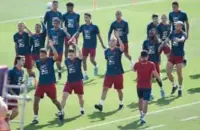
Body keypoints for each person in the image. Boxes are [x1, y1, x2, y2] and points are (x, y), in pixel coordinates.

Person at [31, 40, 64, 124]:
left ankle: (61, 111)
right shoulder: (38, 62)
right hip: (41, 85)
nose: (41, 57)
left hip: (50, 85)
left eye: (43, 55)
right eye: (40, 55)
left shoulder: (50, 60)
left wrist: (52, 46)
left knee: (54, 100)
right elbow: (32, 65)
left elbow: (56, 55)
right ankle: (35, 118)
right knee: (35, 102)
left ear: (46, 54)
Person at [70, 13, 106, 81]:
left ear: (90, 18)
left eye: (87, 17)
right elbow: (77, 33)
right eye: (85, 18)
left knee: (91, 60)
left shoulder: (95, 27)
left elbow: (99, 36)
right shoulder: (82, 26)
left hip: (92, 46)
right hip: (85, 46)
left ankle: (96, 66)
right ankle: (85, 75)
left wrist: (102, 44)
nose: (85, 19)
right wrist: (71, 38)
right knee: (83, 60)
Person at [94, 31, 124, 112]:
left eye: (114, 41)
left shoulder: (118, 50)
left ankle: (121, 103)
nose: (112, 42)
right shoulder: (106, 51)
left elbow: (123, 48)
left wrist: (118, 37)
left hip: (118, 73)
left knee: (119, 90)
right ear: (109, 42)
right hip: (109, 74)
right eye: (111, 41)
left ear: (116, 42)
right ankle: (101, 104)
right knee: (105, 89)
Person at [134, 50, 162, 124]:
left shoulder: (137, 64)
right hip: (147, 87)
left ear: (141, 56)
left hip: (139, 86)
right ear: (148, 56)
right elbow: (155, 74)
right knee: (145, 102)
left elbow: (133, 70)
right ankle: (143, 116)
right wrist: (160, 80)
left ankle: (141, 114)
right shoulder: (151, 64)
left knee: (140, 100)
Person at [60, 43, 84, 116]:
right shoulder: (66, 61)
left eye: (72, 55)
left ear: (75, 54)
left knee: (80, 97)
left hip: (78, 81)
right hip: (69, 82)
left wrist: (75, 45)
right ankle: (61, 111)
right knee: (64, 96)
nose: (70, 57)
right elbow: (65, 53)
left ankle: (82, 108)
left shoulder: (78, 60)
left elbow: (80, 54)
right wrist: (68, 47)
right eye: (69, 55)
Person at [166, 21, 187, 97]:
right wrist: (163, 43)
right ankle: (174, 85)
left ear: (181, 26)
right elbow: (167, 39)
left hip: (179, 56)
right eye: (176, 26)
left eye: (178, 26)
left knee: (179, 74)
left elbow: (182, 39)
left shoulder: (183, 33)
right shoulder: (172, 33)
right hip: (172, 55)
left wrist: (178, 40)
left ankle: (180, 88)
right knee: (168, 72)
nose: (177, 27)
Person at [142, 29, 165, 98]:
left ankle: (161, 89)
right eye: (150, 33)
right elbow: (144, 52)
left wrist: (159, 59)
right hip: (148, 62)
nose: (151, 35)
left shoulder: (157, 41)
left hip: (155, 62)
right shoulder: (145, 42)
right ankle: (150, 93)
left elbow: (159, 51)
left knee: (157, 77)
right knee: (149, 79)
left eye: (152, 34)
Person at [13, 22, 37, 87]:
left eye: (21, 26)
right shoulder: (15, 35)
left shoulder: (26, 34)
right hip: (19, 55)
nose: (20, 27)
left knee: (29, 70)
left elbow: (32, 35)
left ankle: (35, 82)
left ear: (23, 27)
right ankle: (18, 82)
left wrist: (26, 28)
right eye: (19, 26)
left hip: (27, 54)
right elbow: (16, 45)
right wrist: (16, 54)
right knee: (16, 69)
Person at [169, 1, 189, 66]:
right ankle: (176, 61)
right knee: (174, 46)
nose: (173, 8)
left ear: (178, 6)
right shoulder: (171, 14)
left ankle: (183, 60)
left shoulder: (183, 14)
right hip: (174, 33)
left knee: (180, 47)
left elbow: (187, 23)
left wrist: (187, 33)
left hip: (181, 33)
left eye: (174, 7)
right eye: (172, 7)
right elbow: (170, 23)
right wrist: (170, 32)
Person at [7, 56, 25, 121]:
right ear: (18, 60)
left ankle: (5, 122)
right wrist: (14, 94)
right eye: (22, 60)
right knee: (14, 111)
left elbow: (19, 82)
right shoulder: (11, 71)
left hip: (15, 96)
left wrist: (24, 83)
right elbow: (7, 85)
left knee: (15, 112)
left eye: (24, 60)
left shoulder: (22, 71)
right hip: (8, 95)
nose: (24, 62)